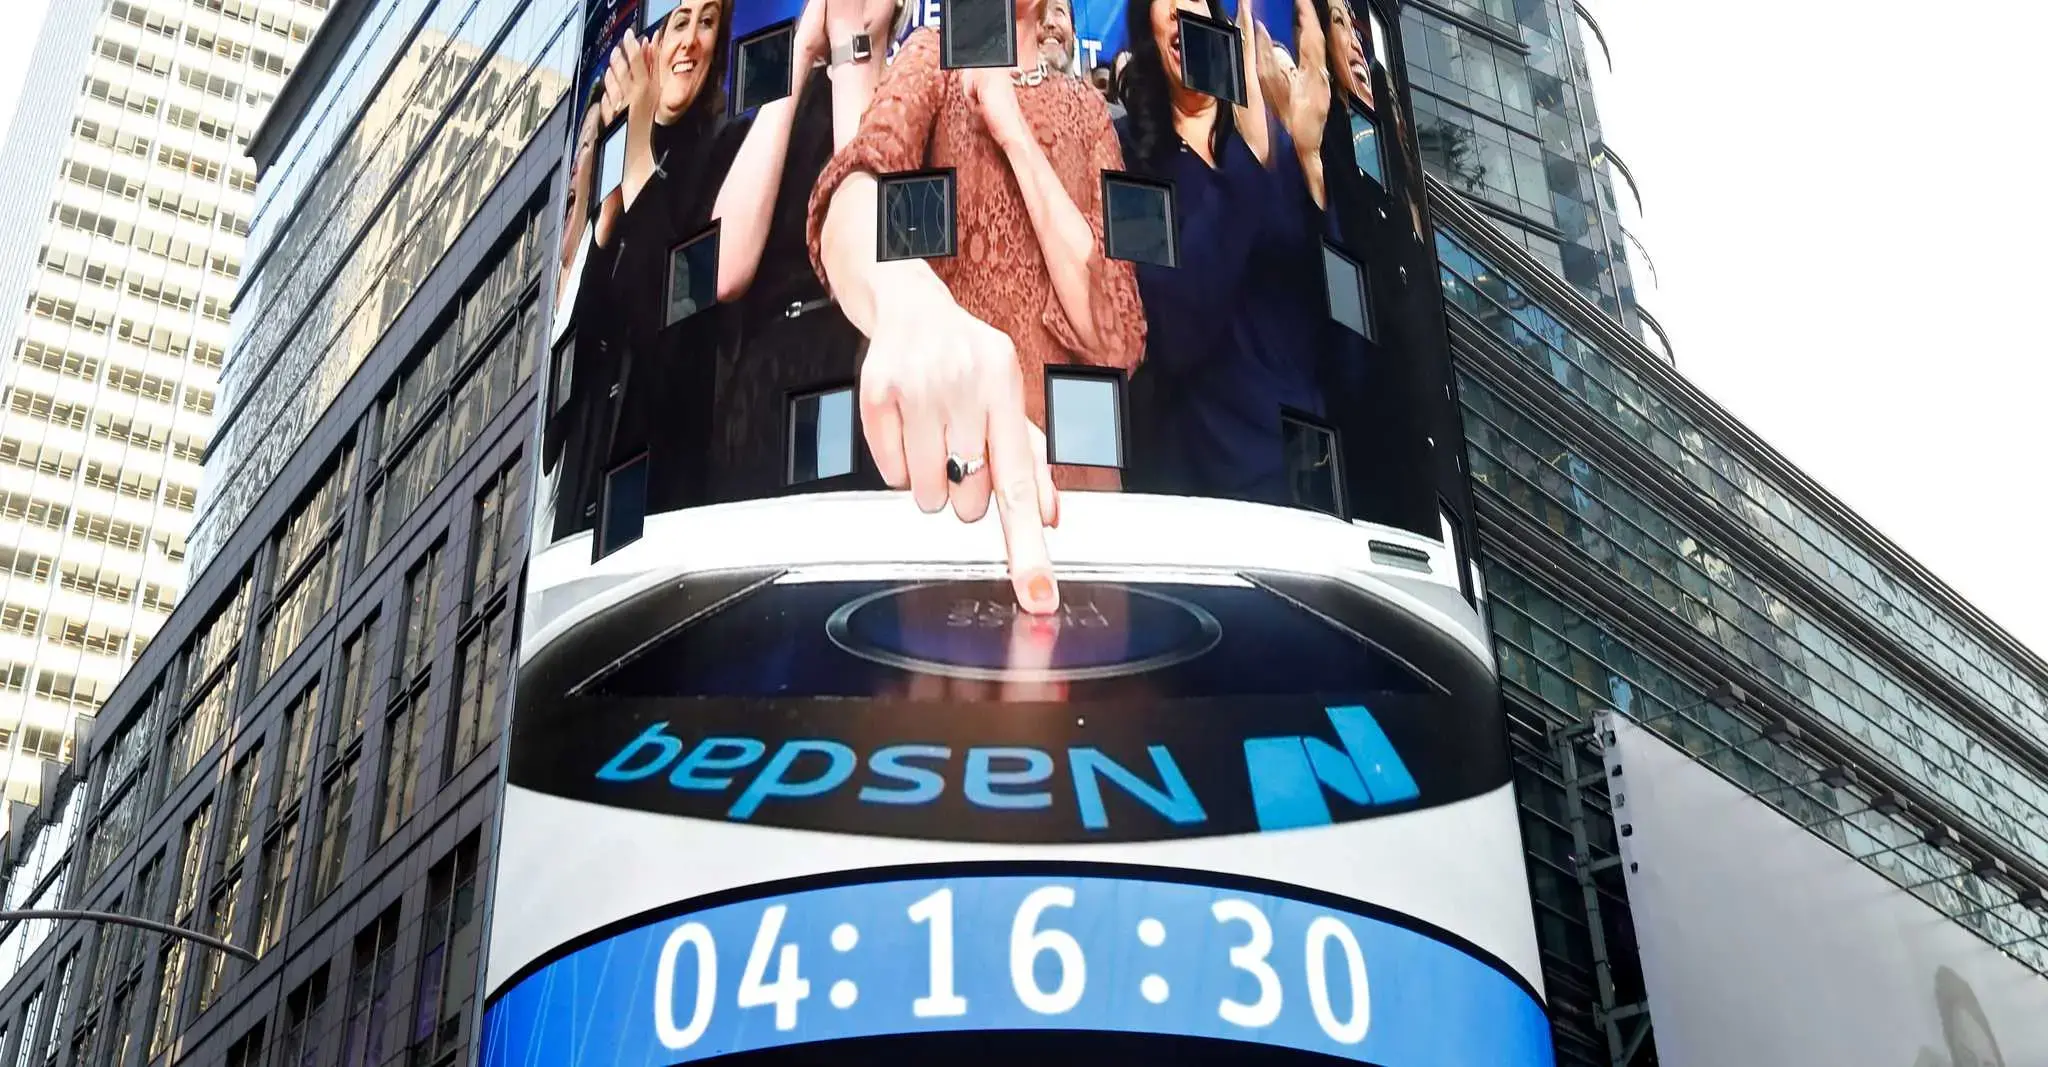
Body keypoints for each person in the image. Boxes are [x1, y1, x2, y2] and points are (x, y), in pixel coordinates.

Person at [807, 0, 1148, 615]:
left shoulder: (1090, 112)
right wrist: (905, 300)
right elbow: (852, 192)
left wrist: (1013, 130)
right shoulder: (933, 56)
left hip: (1090, 508)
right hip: (957, 497)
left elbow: (1115, 336)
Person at [1115, 0, 1327, 507]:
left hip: (1309, 480)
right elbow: (1169, 326)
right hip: (1204, 493)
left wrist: (1310, 159)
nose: (1179, 12)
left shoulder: (1269, 138)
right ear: (1146, 28)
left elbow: (1327, 314)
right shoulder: (1127, 153)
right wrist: (1247, 166)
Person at [547, 0, 742, 542]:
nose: (691, 41)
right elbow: (559, 414)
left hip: (664, 506)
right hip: (580, 523)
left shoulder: (724, 150)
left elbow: (680, 312)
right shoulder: (601, 208)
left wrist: (634, 142)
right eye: (679, 21)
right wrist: (604, 202)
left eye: (706, 22)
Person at [697, 0, 898, 501]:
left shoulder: (916, 94)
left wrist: (851, 48)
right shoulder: (772, 110)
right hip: (765, 383)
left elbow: (870, 250)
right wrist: (801, 59)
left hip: (865, 370)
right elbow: (721, 270)